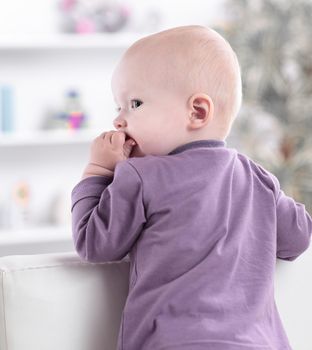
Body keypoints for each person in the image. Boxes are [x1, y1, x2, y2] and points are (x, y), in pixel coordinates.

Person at [71, 25, 312, 350]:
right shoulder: (259, 180)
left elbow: (94, 244)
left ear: (197, 112)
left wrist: (98, 170)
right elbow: (298, 239)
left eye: (135, 103)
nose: (119, 121)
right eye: (119, 107)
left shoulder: (141, 176)